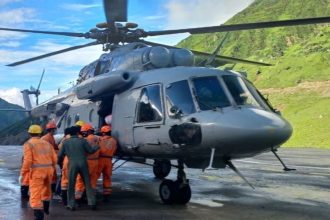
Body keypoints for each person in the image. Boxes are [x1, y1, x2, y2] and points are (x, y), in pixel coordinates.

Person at [19, 124, 57, 220]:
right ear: (40, 133)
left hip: (37, 172)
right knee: (46, 189)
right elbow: (55, 159)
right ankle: (46, 208)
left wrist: (22, 174)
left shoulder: (28, 144)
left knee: (35, 193)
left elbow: (27, 161)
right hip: (49, 171)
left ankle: (39, 216)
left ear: (29, 133)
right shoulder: (47, 143)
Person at [58, 126, 99, 211]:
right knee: (87, 184)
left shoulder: (66, 142)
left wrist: (60, 162)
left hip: (72, 163)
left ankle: (71, 204)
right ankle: (92, 203)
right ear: (77, 133)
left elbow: (60, 155)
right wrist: (96, 147)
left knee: (71, 185)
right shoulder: (83, 141)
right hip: (83, 163)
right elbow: (90, 151)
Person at [75, 124, 100, 203]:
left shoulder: (85, 140)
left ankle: (78, 198)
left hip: (86, 161)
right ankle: (92, 199)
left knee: (81, 180)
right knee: (93, 180)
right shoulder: (98, 138)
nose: (83, 133)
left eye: (84, 132)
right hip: (96, 162)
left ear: (88, 131)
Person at [97, 125, 117, 201]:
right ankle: (107, 194)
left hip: (100, 160)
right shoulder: (114, 141)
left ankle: (91, 192)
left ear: (103, 133)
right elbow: (114, 151)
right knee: (107, 177)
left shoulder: (100, 140)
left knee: (95, 177)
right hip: (109, 161)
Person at [42, 121, 59, 193]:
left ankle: (52, 190)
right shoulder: (45, 138)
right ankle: (48, 190)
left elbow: (55, 146)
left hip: (50, 160)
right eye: (54, 129)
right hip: (46, 160)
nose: (55, 131)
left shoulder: (51, 137)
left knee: (53, 175)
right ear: (51, 130)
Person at [57, 127, 72, 206]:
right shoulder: (78, 138)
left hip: (65, 159)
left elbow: (60, 149)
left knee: (64, 178)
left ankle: (63, 198)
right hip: (73, 159)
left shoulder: (64, 139)